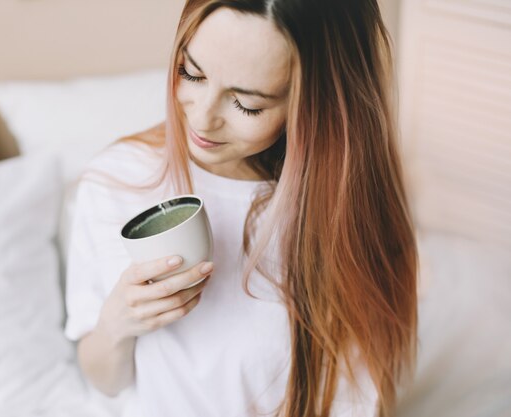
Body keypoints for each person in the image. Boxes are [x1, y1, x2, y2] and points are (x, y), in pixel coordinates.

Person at [64, 1, 418, 416]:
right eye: (191, 73)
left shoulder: (342, 216)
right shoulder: (116, 179)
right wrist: (118, 323)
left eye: (247, 104)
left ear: (316, 108)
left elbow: (358, 397)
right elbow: (106, 382)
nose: (203, 118)